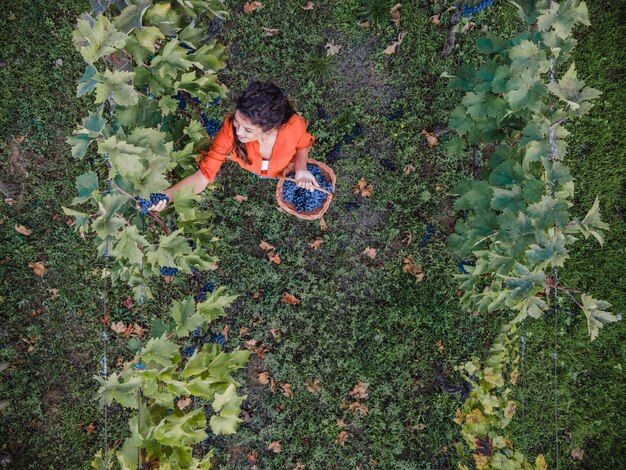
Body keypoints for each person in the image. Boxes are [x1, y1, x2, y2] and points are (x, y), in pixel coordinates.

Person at [150, 81, 317, 211]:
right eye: (237, 123)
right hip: (254, 167)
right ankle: (262, 174)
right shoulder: (229, 131)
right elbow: (203, 176)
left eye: (248, 129)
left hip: (281, 170)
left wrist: (301, 168)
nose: (239, 133)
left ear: (271, 128)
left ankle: (268, 175)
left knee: (270, 174)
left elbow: (302, 144)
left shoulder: (294, 126)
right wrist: (166, 196)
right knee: (261, 173)